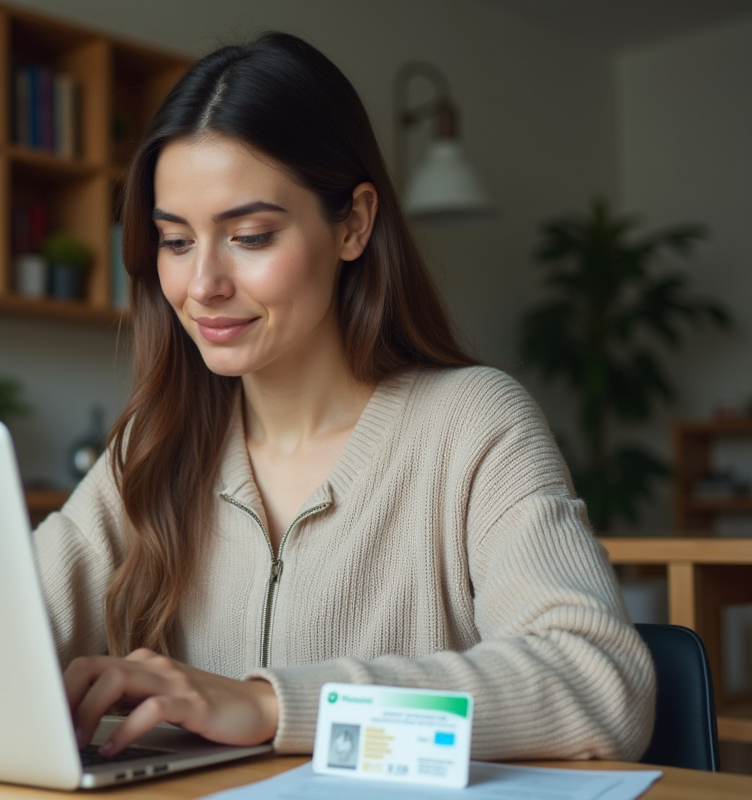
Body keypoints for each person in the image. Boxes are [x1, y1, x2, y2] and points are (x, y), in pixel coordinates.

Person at [33, 31, 654, 763]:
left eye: (251, 235)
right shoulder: (152, 449)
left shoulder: (472, 423)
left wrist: (270, 705)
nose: (202, 285)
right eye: (174, 241)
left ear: (353, 224)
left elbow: (599, 683)